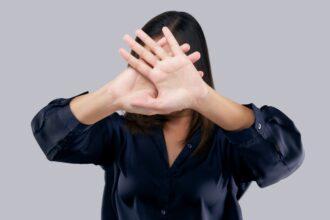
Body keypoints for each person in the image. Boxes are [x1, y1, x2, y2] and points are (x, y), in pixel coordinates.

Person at [30, 11, 305, 220]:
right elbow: (51, 134)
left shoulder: (226, 136)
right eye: (147, 63)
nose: (157, 75)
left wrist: (202, 97)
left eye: (168, 64)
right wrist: (112, 95)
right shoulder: (120, 133)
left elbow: (284, 157)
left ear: (194, 66)